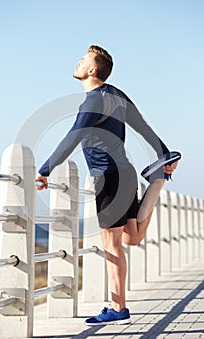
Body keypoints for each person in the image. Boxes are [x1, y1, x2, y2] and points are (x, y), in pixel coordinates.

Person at [36, 45, 180, 326]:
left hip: (108, 177)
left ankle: (118, 308)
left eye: (83, 60)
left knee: (111, 244)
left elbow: (73, 136)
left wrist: (44, 171)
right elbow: (143, 126)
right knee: (131, 237)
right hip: (125, 173)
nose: (77, 62)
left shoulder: (92, 101)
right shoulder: (116, 94)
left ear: (92, 70)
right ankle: (156, 182)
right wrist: (164, 153)